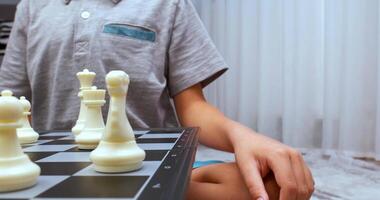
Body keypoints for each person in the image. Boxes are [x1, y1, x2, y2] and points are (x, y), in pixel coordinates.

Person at [0, 0, 314, 199]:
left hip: (148, 163)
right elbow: (12, 101)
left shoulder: (168, 4)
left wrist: (242, 136)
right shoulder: (32, 6)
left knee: (274, 184)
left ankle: (150, 189)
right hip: (53, 170)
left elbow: (192, 106)